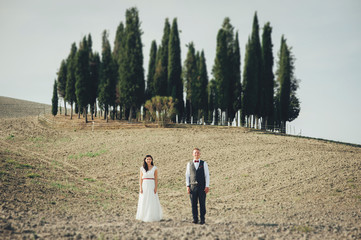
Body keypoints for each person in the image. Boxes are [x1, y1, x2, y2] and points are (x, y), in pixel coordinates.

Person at [185, 148, 210, 224]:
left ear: (200, 154)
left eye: (198, 153)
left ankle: (202, 219)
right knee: (193, 204)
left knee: (202, 203)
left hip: (202, 187)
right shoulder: (189, 164)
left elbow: (207, 175)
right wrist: (187, 186)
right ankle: (195, 219)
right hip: (192, 187)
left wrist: (207, 186)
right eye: (195, 153)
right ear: (193, 154)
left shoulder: (204, 163)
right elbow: (187, 175)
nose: (196, 154)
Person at [136, 155, 163, 222]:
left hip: (151, 185)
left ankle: (152, 215)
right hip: (144, 185)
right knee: (144, 200)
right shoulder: (142, 168)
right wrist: (140, 188)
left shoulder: (154, 168)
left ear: (152, 160)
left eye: (150, 159)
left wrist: (155, 187)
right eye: (147, 159)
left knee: (152, 199)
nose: (148, 160)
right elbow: (140, 179)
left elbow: (156, 179)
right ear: (145, 160)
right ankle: (143, 215)